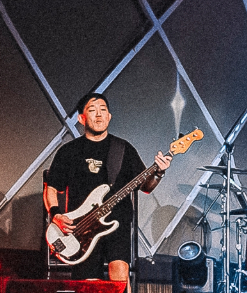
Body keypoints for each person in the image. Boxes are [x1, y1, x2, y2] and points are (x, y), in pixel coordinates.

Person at [42, 91, 170, 281]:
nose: (99, 114)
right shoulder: (69, 152)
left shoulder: (123, 149)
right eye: (92, 110)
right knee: (87, 285)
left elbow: (146, 186)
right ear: (81, 118)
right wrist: (55, 215)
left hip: (117, 225)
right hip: (80, 228)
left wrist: (159, 172)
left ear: (109, 116)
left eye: (103, 110)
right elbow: (51, 188)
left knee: (119, 275)